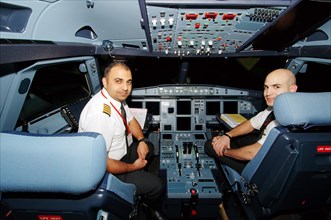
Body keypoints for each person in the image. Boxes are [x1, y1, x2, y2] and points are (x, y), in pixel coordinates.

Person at [78, 62, 167, 220]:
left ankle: (138, 182)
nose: (125, 88)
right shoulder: (100, 115)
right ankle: (150, 208)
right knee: (157, 186)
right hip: (108, 171)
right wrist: (134, 167)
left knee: (150, 147)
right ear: (105, 82)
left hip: (122, 154)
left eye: (129, 82)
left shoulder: (116, 99)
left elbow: (132, 121)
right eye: (118, 81)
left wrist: (141, 140)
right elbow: (103, 163)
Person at [204, 68, 298, 173]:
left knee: (209, 145)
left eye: (276, 87)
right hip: (273, 158)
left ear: (292, 89)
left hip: (261, 169)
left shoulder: (281, 122)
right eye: (266, 87)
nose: (268, 93)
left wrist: (224, 150)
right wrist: (227, 136)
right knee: (232, 138)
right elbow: (250, 124)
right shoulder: (277, 109)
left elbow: (251, 154)